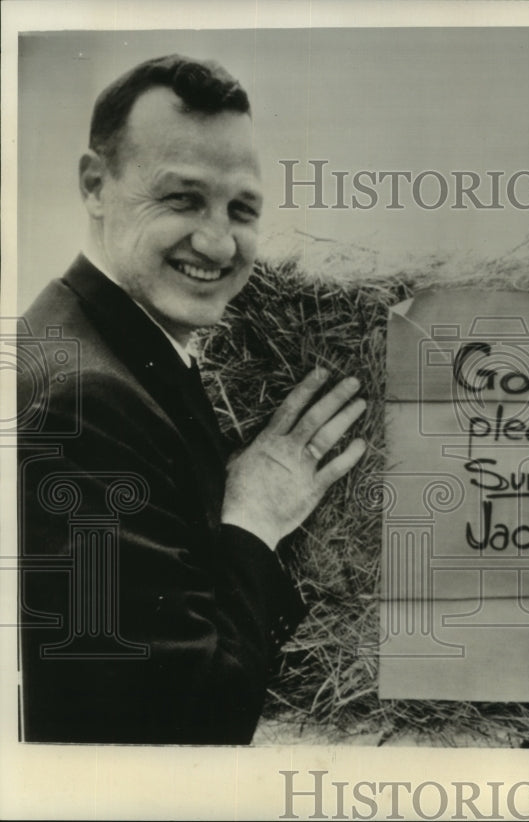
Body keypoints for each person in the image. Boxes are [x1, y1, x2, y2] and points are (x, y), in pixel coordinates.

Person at [16, 55, 367, 744]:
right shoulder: (86, 403)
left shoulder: (88, 340)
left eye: (242, 209)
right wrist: (255, 523)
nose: (217, 241)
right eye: (182, 199)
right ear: (95, 184)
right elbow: (179, 721)